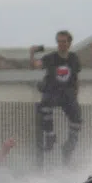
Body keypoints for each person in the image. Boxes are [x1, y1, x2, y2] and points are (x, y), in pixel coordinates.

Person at [31, 30, 82, 165]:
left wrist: (76, 95)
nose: (61, 44)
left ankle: (69, 145)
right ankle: (50, 135)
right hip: (53, 91)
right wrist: (32, 53)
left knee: (77, 118)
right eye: (59, 42)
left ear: (69, 43)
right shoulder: (51, 58)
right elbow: (36, 65)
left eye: (64, 42)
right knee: (45, 106)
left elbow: (76, 79)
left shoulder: (73, 58)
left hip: (68, 94)